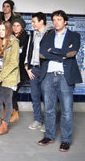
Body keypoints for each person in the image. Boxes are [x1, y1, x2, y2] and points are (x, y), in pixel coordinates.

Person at [37, 10, 82, 152]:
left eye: (59, 19)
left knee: (67, 110)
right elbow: (42, 53)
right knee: (49, 109)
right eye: (54, 19)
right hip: (48, 76)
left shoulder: (74, 35)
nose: (56, 22)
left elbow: (72, 52)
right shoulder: (48, 35)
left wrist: (52, 52)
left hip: (65, 76)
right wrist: (61, 54)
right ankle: (49, 136)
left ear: (65, 21)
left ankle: (66, 139)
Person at [0, 21, 19, 135]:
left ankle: (4, 125)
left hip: (8, 76)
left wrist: (0, 76)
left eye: (3, 29)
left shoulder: (14, 42)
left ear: (8, 30)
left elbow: (13, 63)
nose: (1, 32)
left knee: (7, 101)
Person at [25, 12, 50, 131]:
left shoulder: (51, 34)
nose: (32, 24)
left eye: (34, 21)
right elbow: (29, 50)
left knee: (48, 97)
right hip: (34, 69)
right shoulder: (33, 34)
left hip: (46, 70)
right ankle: (38, 120)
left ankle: (49, 123)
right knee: (35, 96)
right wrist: (27, 67)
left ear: (41, 21)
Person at [11, 17, 29, 123]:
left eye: (18, 25)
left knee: (12, 92)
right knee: (9, 92)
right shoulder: (11, 37)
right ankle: (9, 111)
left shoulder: (26, 37)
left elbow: (25, 54)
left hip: (21, 70)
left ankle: (15, 113)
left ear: (22, 27)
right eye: (14, 25)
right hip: (12, 69)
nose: (15, 27)